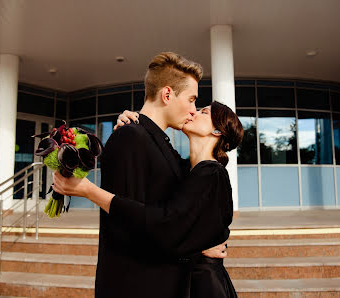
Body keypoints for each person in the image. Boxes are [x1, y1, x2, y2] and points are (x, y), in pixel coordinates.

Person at [53, 52, 226, 298]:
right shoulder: (131, 138)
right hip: (137, 286)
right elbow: (134, 227)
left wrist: (205, 239)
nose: (193, 110)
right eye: (191, 99)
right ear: (167, 94)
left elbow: (183, 211)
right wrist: (199, 247)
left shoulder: (160, 144)